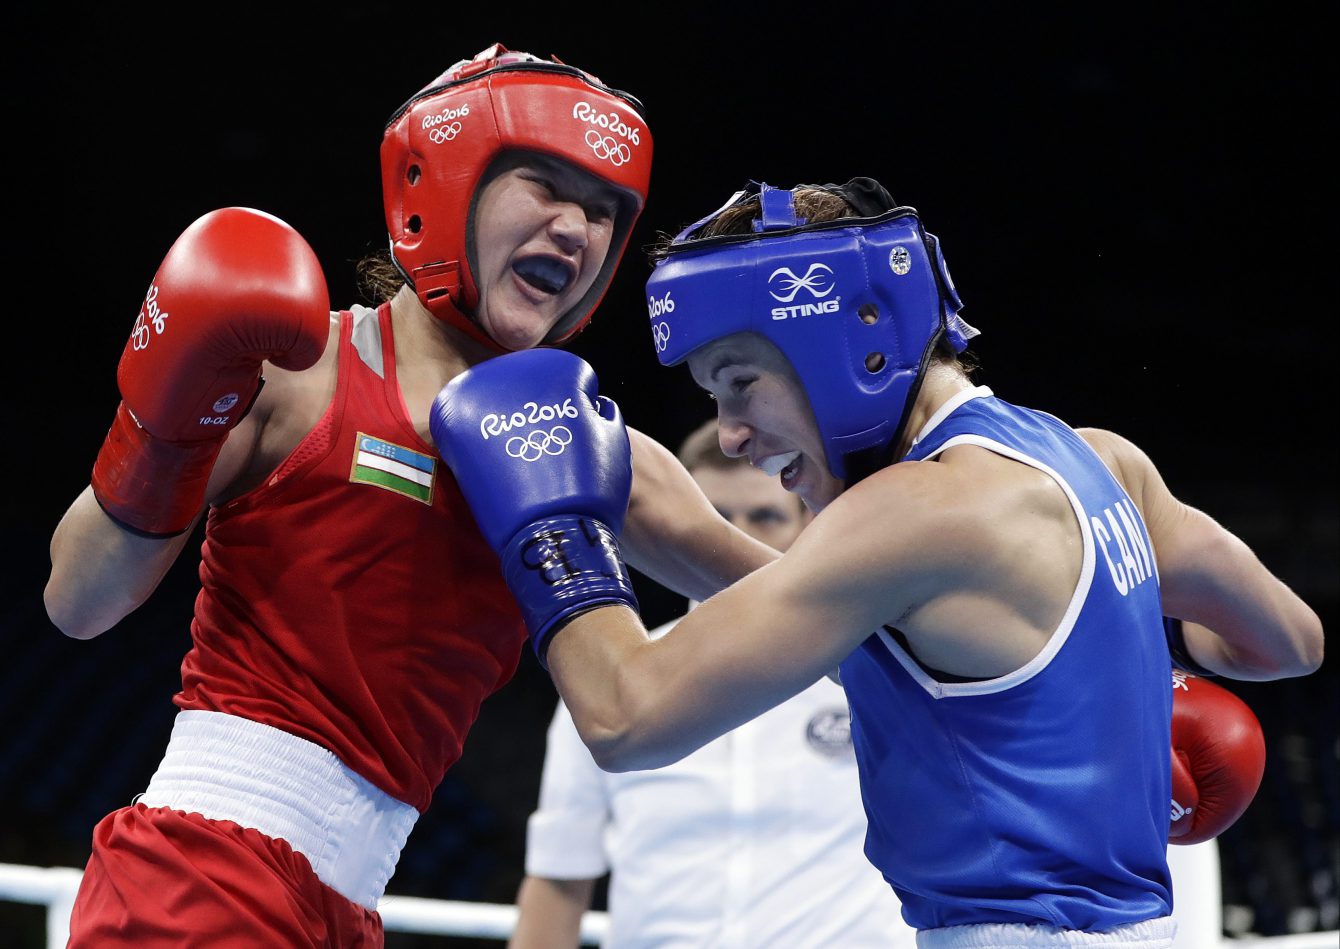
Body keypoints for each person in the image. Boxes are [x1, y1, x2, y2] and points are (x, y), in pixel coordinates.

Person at [429, 177, 1324, 947]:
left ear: (846, 342)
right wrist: (1127, 665)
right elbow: (1286, 641)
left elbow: (627, 717)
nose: (731, 433)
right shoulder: (1098, 459)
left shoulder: (913, 512)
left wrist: (553, 529)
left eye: (740, 382)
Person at [43, 45, 780, 948]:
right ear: (450, 185)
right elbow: (78, 602)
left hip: (348, 908)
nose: (575, 229)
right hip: (201, 873)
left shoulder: (594, 451)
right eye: (545, 187)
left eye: (602, 212)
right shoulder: (302, 372)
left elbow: (805, 598)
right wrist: (160, 428)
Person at [509, 418, 914, 949]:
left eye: (764, 516)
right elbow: (559, 879)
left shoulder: (873, 668)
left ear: (809, 525)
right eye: (715, 519)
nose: (734, 536)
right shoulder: (612, 681)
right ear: (670, 528)